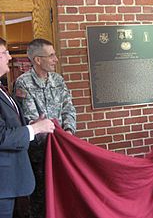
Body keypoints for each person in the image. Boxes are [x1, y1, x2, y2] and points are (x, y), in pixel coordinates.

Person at [13, 38, 76, 218]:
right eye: (51, 55)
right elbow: (31, 119)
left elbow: (68, 108)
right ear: (37, 60)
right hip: (39, 152)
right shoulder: (23, 83)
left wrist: (68, 132)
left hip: (62, 149)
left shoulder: (58, 79)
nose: (56, 59)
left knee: (63, 194)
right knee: (41, 198)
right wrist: (55, 139)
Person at [0, 37, 55, 218]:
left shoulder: (2, 88)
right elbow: (2, 137)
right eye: (4, 53)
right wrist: (35, 129)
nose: (10, 57)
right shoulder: (22, 82)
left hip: (10, 181)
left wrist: (30, 126)